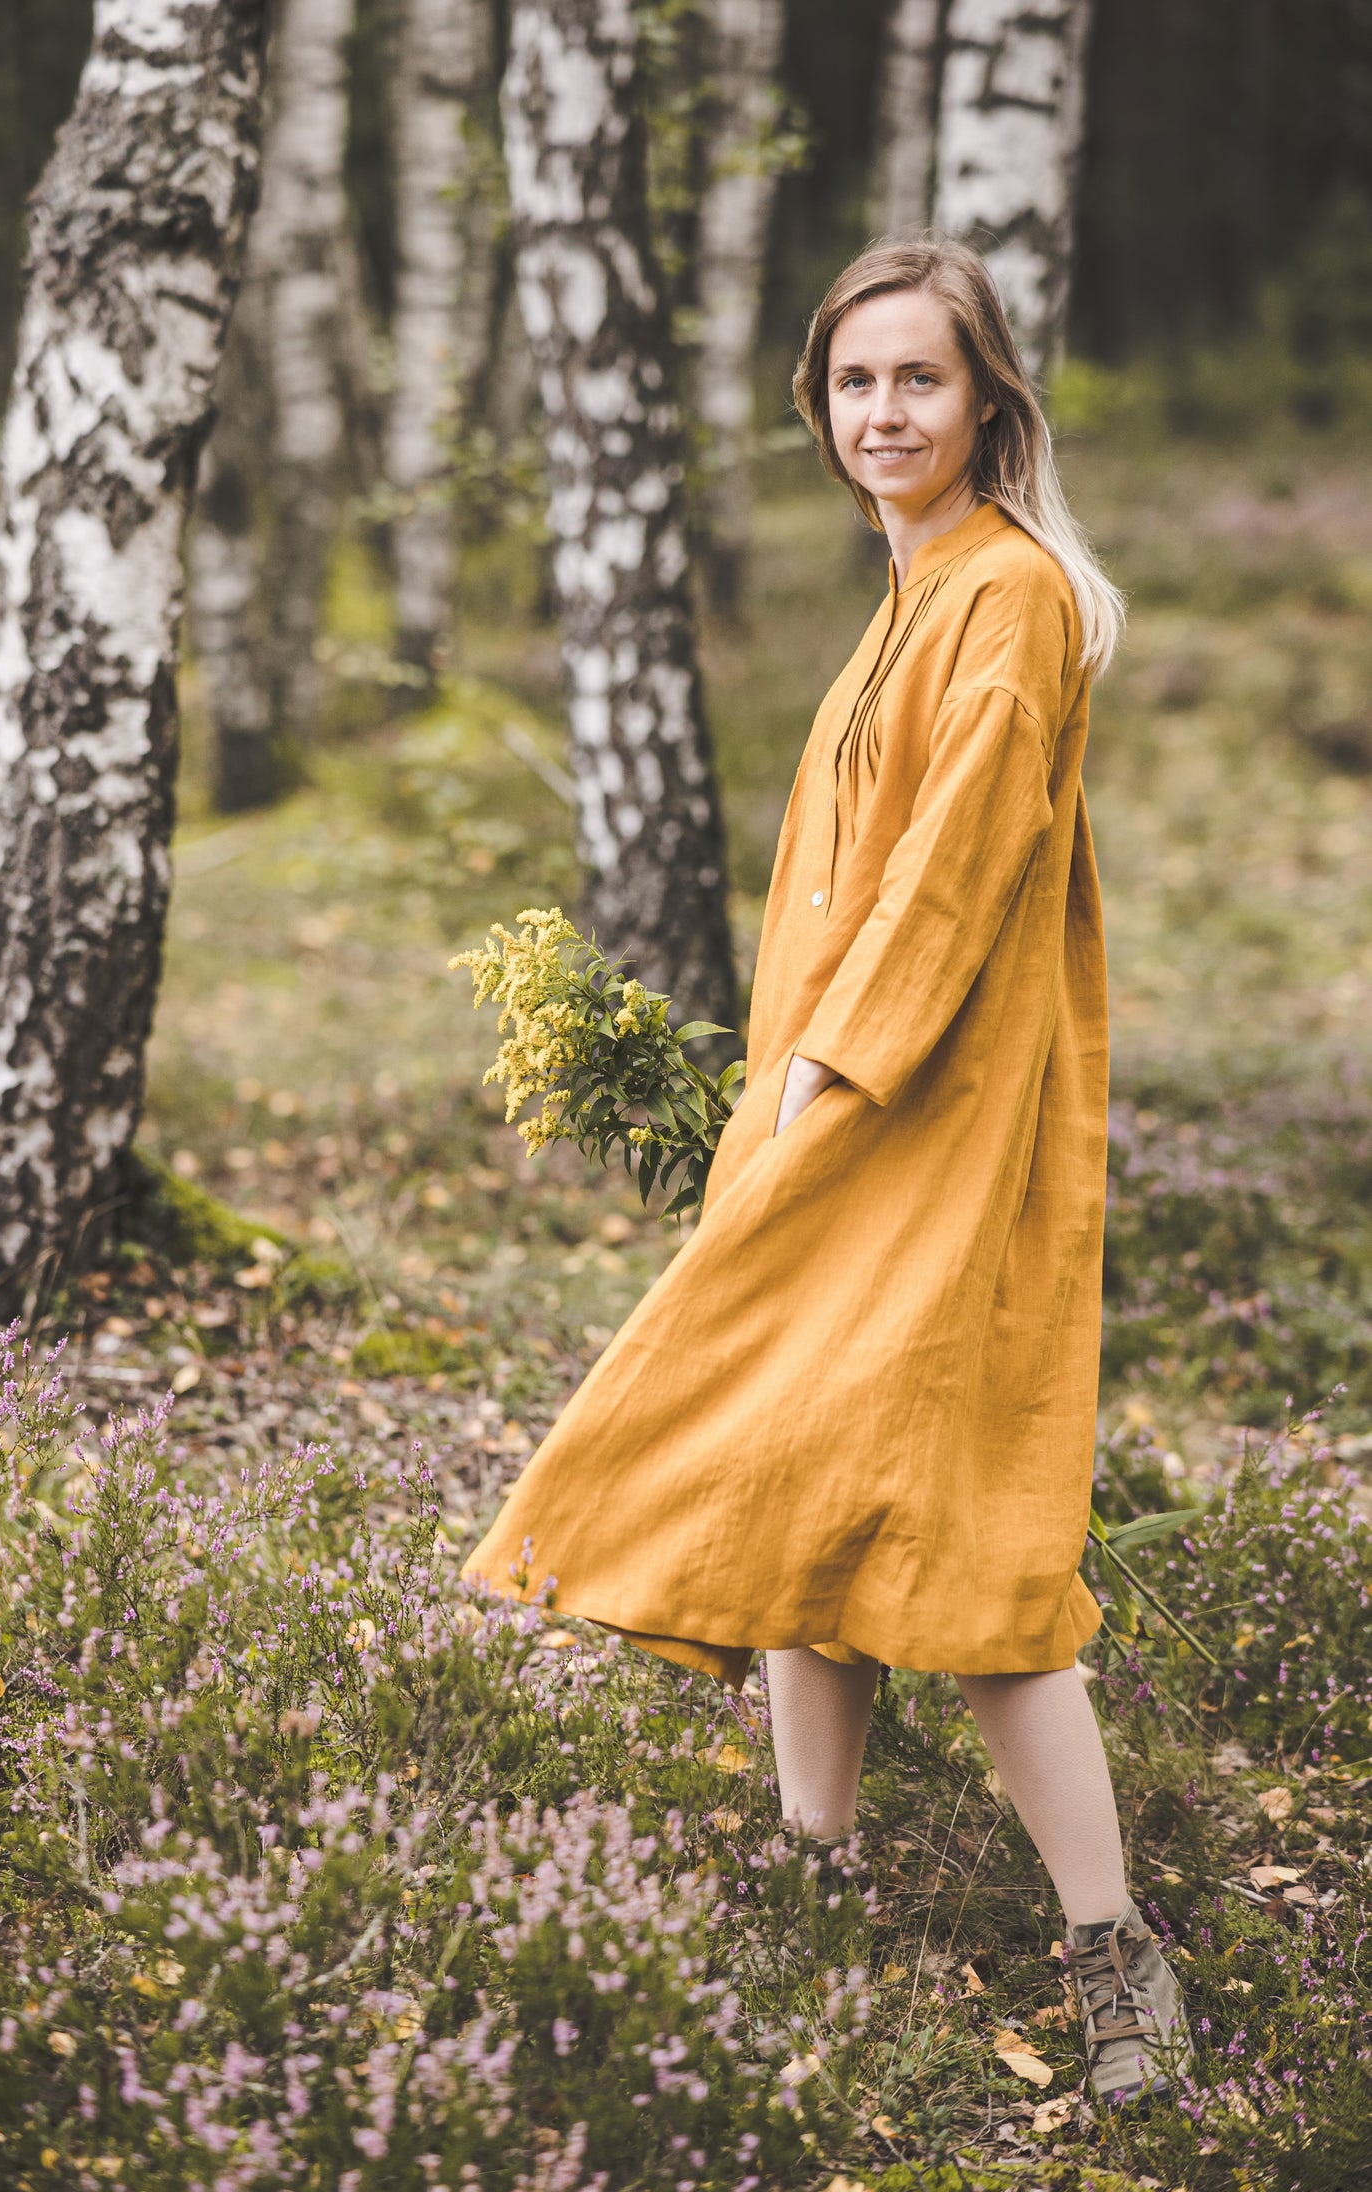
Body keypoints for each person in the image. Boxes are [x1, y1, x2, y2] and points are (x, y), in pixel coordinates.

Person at [464, 235, 1193, 2105]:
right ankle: (814, 1875)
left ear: (986, 402)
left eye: (919, 382)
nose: (885, 412)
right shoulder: (909, 584)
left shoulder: (1006, 595)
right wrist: (786, 1082)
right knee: (802, 1476)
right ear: (823, 405)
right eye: (857, 383)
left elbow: (951, 871)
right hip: (832, 1104)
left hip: (924, 1125)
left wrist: (814, 1073)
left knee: (970, 1538)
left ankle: (1115, 1952)